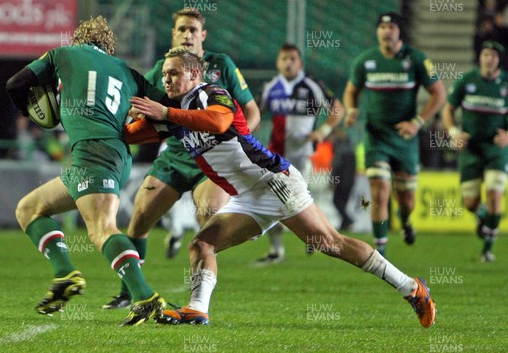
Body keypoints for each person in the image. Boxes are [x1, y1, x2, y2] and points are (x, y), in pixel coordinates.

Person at [124, 47, 436, 328]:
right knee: (201, 245)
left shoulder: (210, 93)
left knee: (331, 244)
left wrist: (164, 112)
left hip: (274, 182)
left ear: (193, 73)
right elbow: (134, 135)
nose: (166, 79)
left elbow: (219, 122)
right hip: (248, 195)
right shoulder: (176, 113)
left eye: (174, 72)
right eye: (164, 73)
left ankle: (411, 287)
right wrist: (124, 119)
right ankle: (198, 310)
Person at [5, 16, 169, 325]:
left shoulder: (63, 54)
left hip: (94, 152)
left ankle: (144, 296)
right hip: (109, 155)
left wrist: (35, 111)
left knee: (102, 229)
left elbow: (15, 84)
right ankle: (64, 274)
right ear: (109, 45)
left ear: (79, 39)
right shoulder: (128, 73)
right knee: (29, 209)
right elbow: (167, 114)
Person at [103, 7, 260, 309]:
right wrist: (130, 115)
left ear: (203, 35)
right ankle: (129, 291)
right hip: (176, 155)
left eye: (192, 30)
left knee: (209, 214)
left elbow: (252, 111)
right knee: (140, 216)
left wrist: (239, 140)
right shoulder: (164, 67)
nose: (187, 35)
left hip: (212, 158)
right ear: (173, 34)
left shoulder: (221, 65)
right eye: (181, 30)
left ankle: (197, 300)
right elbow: (135, 103)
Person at [343, 12, 446, 256]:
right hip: (376, 137)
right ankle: (380, 253)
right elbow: (350, 91)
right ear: (377, 31)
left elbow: (439, 94)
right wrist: (351, 109)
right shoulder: (365, 61)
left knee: (407, 200)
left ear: (400, 31)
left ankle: (405, 220)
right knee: (379, 191)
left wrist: (417, 122)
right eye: (382, 26)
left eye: (391, 27)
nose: (386, 31)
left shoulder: (416, 59)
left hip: (405, 139)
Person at [256, 43, 343, 264]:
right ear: (278, 62)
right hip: (276, 156)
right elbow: (255, 113)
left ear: (300, 63)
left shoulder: (312, 85)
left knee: (302, 200)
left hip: (304, 154)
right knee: (274, 199)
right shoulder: (271, 87)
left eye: (292, 58)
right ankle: (277, 250)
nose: (288, 63)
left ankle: (314, 237)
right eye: (284, 58)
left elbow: (337, 109)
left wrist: (322, 131)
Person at [442, 40, 508, 262]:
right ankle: (483, 218)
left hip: (496, 150)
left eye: (494, 55)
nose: (489, 59)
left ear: (499, 60)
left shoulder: (505, 83)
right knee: (470, 203)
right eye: (486, 54)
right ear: (480, 57)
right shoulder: (467, 80)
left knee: (494, 196)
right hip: (470, 149)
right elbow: (448, 109)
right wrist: (454, 132)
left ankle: (487, 250)